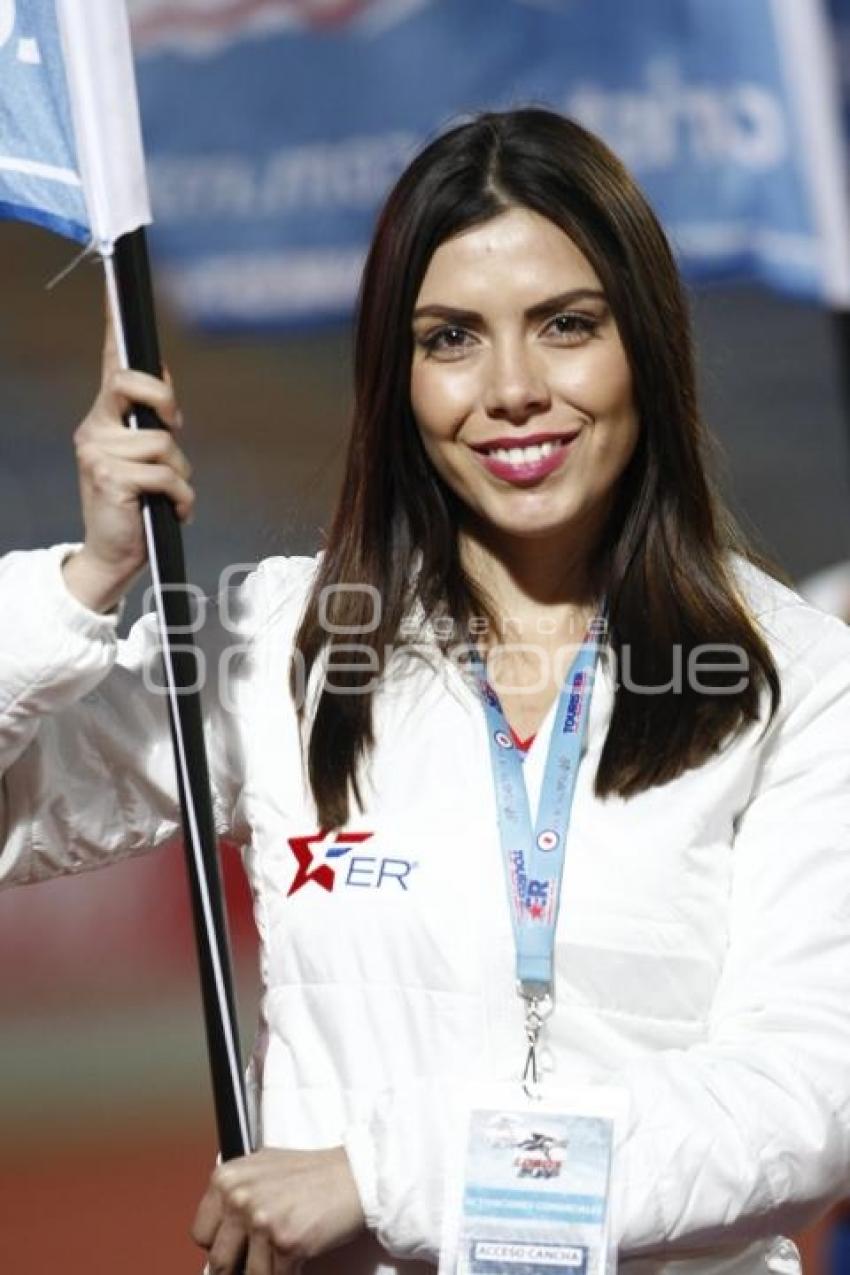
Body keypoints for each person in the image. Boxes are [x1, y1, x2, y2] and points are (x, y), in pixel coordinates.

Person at [1, 107, 849, 1275]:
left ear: (643, 343)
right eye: (450, 338)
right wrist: (83, 580)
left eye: (565, 326)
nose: (510, 389)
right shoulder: (275, 638)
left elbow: (800, 1102)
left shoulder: (799, 675)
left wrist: (388, 1182)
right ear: (395, 376)